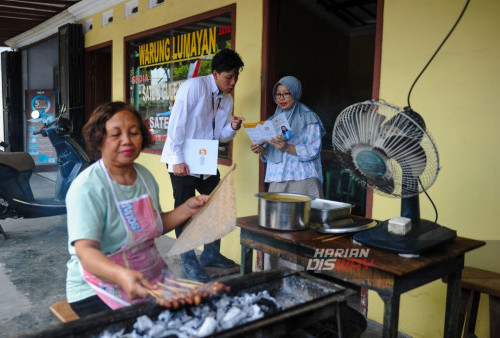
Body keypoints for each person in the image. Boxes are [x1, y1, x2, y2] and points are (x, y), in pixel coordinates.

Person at [65, 102, 209, 317]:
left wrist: (187, 209)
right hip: (96, 287)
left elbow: (155, 226)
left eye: (134, 133)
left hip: (150, 276)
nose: (127, 141)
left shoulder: (144, 177)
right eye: (116, 134)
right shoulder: (87, 187)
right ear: (99, 139)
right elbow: (85, 251)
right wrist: (121, 276)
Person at [160, 49, 245, 282]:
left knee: (217, 204)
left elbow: (220, 135)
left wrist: (233, 128)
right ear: (215, 73)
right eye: (229, 77)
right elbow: (176, 124)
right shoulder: (194, 87)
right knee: (185, 210)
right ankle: (188, 261)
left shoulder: (226, 99)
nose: (233, 82)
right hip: (183, 160)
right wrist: (176, 158)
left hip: (204, 159)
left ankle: (211, 254)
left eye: (236, 77)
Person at [250, 76, 325, 269]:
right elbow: (271, 155)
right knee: (276, 228)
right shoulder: (272, 121)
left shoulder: (309, 118)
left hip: (303, 179)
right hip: (277, 179)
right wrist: (262, 151)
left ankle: (301, 275)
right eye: (277, 94)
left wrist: (286, 146)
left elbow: (312, 150)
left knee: (301, 230)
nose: (281, 98)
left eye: (286, 93)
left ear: (296, 93)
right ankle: (273, 271)